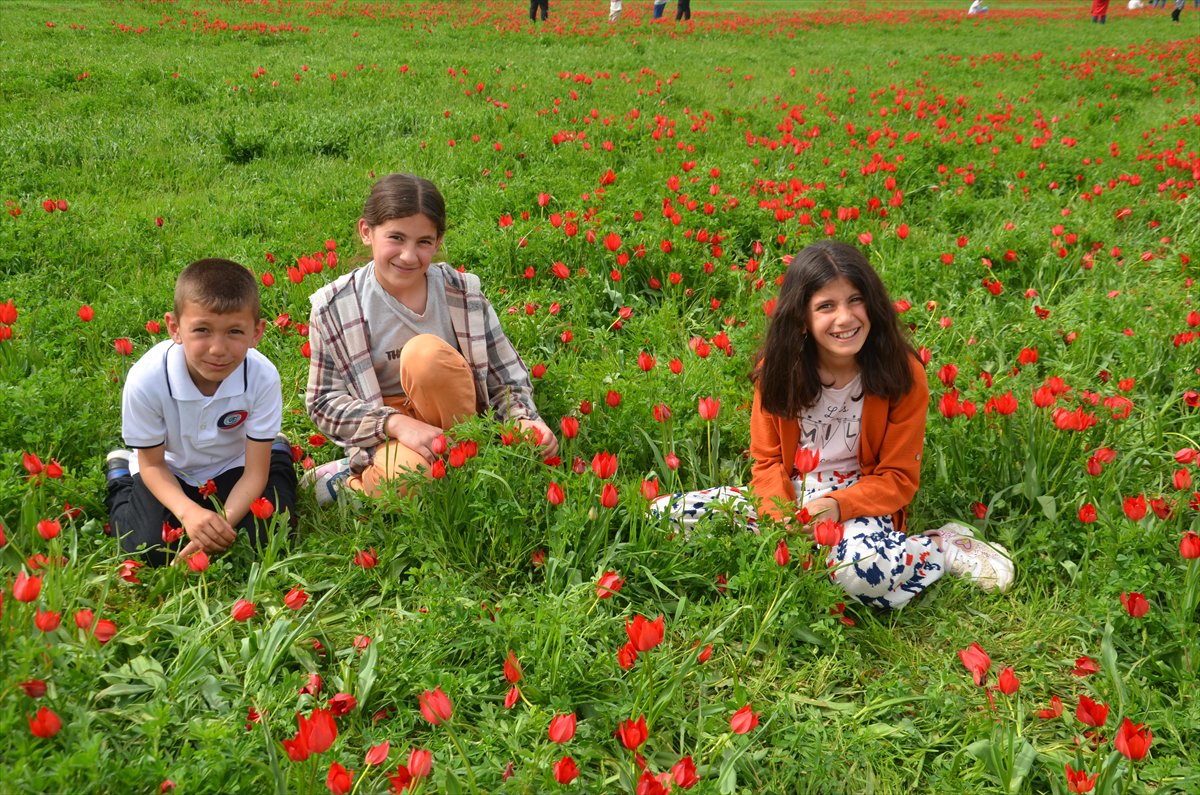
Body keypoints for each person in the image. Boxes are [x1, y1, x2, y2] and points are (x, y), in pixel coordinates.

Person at [651, 241, 1014, 608]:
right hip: (790, 495)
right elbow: (767, 462)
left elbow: (898, 477)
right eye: (826, 306)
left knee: (860, 570)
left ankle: (938, 546)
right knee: (662, 517)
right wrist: (781, 520)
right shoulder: (778, 372)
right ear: (802, 318)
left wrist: (836, 507)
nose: (845, 318)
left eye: (855, 300)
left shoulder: (901, 374)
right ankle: (821, 562)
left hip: (861, 499)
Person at [304, 173, 558, 504]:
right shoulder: (334, 307)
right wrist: (394, 424)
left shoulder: (461, 292)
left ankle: (465, 455)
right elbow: (323, 403)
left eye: (423, 242)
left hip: (456, 407)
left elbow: (504, 374)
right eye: (396, 237)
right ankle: (351, 481)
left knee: (424, 356)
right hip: (387, 424)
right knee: (409, 482)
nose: (409, 256)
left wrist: (522, 419)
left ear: (437, 243)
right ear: (367, 231)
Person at [105, 259, 297, 567]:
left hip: (235, 465)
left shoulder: (262, 376)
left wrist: (221, 523)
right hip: (170, 471)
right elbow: (153, 466)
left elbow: (254, 473)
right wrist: (189, 513)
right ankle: (120, 477)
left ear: (257, 332)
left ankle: (277, 452)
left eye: (235, 331)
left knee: (266, 539)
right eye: (202, 330)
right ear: (174, 328)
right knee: (146, 548)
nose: (217, 348)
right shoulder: (147, 379)